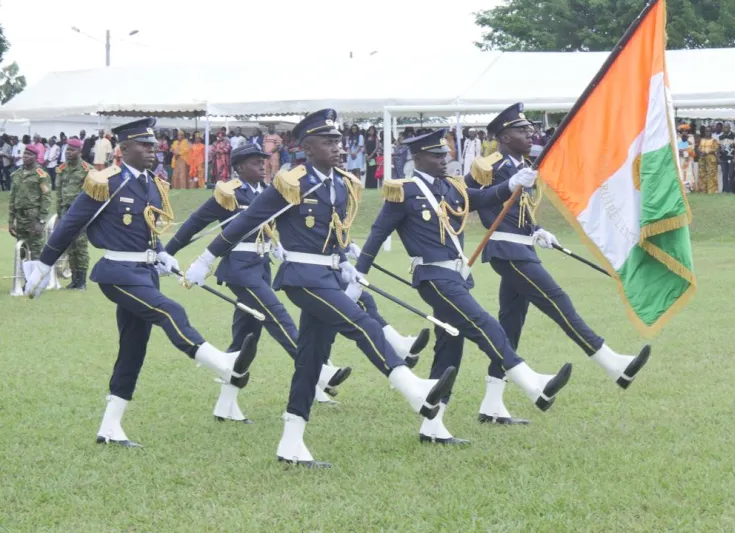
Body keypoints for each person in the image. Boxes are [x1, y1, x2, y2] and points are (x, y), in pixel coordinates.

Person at [185, 109, 455, 467]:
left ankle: (291, 441)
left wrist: (347, 262)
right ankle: (412, 388)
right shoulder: (291, 182)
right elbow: (247, 223)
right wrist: (205, 261)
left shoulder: (341, 183)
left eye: (339, 141)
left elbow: (334, 234)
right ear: (307, 148)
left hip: (329, 275)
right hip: (301, 278)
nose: (338, 148)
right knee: (362, 323)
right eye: (328, 142)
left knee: (310, 360)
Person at [23, 118, 258, 448]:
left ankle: (110, 427)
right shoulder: (106, 182)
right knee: (170, 312)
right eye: (144, 146)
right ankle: (224, 364)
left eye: (153, 145)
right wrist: (43, 264)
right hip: (116, 274)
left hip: (144, 273)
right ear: (123, 150)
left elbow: (147, 229)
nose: (153, 150)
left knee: (134, 348)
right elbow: (71, 224)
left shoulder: (153, 184)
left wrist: (162, 253)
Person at [355, 127, 573, 445]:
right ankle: (531, 383)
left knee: (450, 345)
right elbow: (376, 234)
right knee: (483, 323)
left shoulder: (452, 188)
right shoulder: (404, 192)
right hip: (432, 278)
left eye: (446, 154)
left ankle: (433, 424)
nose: (445, 159)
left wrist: (510, 184)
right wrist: (360, 274)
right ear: (418, 158)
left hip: (456, 277)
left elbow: (481, 197)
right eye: (437, 155)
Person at [464, 103, 651, 428]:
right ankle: (612, 363)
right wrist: (504, 187)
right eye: (522, 130)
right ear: (505, 136)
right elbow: (463, 197)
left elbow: (517, 211)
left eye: (529, 128)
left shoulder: (520, 165)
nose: (530, 134)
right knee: (557, 300)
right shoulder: (488, 164)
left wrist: (537, 231)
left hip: (523, 248)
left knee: (510, 326)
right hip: (507, 252)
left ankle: (492, 404)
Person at [166, 143, 354, 421]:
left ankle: (226, 405)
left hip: (262, 266)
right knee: (277, 315)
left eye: (264, 162)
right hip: (239, 269)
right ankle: (320, 371)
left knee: (245, 339)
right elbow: (195, 223)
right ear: (240, 167)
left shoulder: (268, 193)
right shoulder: (229, 193)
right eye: (256, 163)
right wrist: (167, 253)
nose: (263, 166)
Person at [55, 138, 93, 290]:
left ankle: (82, 280)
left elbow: (91, 194)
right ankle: (74, 279)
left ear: (80, 152)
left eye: (72, 150)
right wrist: (59, 214)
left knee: (80, 246)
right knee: (69, 246)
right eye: (67, 149)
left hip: (80, 213)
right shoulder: (62, 169)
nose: (69, 152)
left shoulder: (87, 169)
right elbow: (59, 193)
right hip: (65, 212)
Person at [9, 145, 52, 260]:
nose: (25, 156)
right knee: (22, 252)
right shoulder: (17, 174)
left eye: (29, 154)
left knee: (36, 252)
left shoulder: (41, 175)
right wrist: (11, 221)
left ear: (35, 157)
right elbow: (12, 198)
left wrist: (41, 221)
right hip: (20, 218)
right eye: (25, 154)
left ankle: (37, 278)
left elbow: (46, 198)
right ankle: (24, 277)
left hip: (33, 219)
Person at [717, 123, 735, 193]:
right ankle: (725, 190)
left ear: (729, 128)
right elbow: (718, 148)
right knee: (724, 175)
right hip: (723, 158)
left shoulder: (734, 136)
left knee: (731, 174)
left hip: (731, 158)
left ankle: (731, 189)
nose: (725, 129)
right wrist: (718, 157)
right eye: (724, 127)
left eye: (727, 127)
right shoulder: (720, 137)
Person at [697, 128, 719, 193]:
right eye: (706, 131)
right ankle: (703, 190)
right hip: (702, 158)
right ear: (705, 132)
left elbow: (716, 149)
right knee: (702, 174)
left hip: (710, 159)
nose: (707, 132)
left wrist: (706, 152)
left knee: (711, 174)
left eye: (709, 131)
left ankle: (711, 190)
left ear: (711, 132)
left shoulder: (714, 140)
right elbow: (699, 148)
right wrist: (700, 152)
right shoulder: (702, 140)